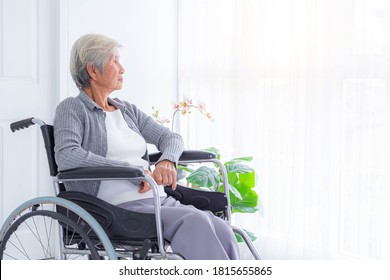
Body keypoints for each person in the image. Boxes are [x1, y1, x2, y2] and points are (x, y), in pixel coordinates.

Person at [53, 34, 239, 260]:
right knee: (196, 222)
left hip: (158, 200)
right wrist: (131, 172)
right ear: (93, 70)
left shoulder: (126, 110)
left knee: (221, 228)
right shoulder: (72, 108)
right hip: (114, 208)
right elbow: (67, 155)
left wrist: (166, 161)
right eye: (115, 61)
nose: (122, 68)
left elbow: (171, 138)